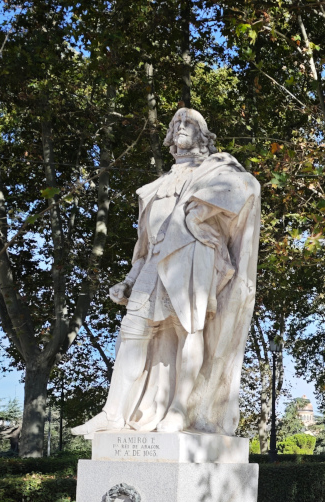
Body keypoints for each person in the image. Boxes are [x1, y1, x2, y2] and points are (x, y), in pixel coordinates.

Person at [74, 108, 260, 437]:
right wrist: (129, 280)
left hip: (193, 257)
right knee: (132, 332)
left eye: (187, 124)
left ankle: (180, 409)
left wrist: (201, 211)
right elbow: (144, 245)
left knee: (189, 330)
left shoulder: (219, 167)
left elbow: (246, 186)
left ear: (202, 134)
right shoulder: (156, 187)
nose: (179, 129)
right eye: (175, 125)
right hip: (153, 265)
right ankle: (113, 413)